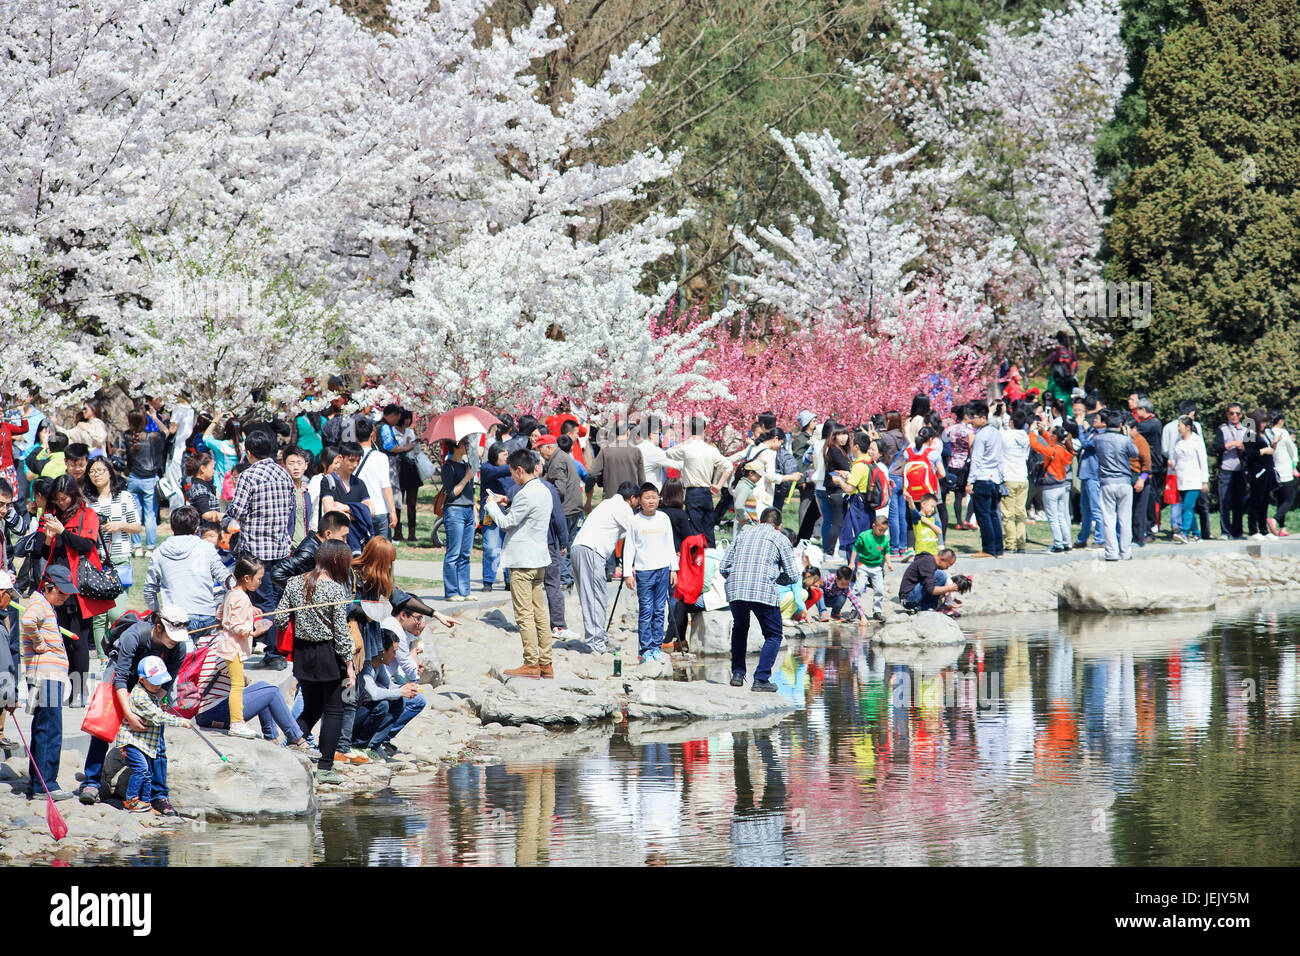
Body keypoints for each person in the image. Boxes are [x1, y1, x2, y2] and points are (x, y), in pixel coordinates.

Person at [75, 605, 188, 810]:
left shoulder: (178, 647)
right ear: (159, 626)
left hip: (154, 684)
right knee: (103, 729)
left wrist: (150, 709)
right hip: (121, 677)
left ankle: (159, 794)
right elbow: (121, 677)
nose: (175, 641)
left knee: (157, 735)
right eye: (171, 635)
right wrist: (129, 713)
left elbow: (166, 684)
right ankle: (92, 783)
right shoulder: (134, 635)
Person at [274, 540, 356, 784]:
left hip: (303, 654)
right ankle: (326, 768)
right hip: (329, 655)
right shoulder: (335, 590)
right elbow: (341, 633)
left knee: (311, 708)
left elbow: (279, 619)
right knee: (334, 710)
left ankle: (283, 751)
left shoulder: (294, 582)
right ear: (336, 560)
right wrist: (350, 666)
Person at [32, 474, 117, 707]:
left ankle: (79, 691)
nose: (61, 503)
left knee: (79, 640)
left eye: (65, 498)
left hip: (78, 585)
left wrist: (62, 531)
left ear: (73, 495)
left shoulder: (87, 515)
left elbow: (87, 545)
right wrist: (48, 540)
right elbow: (38, 551)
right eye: (57, 499)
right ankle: (68, 689)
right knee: (61, 640)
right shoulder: (48, 517)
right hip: (54, 586)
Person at [227, 429, 297, 669]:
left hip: (257, 553)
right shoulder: (284, 474)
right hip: (281, 549)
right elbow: (291, 509)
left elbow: (237, 511)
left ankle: (274, 652)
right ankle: (277, 648)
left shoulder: (249, 475)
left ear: (248, 454)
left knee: (265, 602)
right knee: (278, 601)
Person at [483, 448, 555, 679]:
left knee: (524, 614)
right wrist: (508, 500)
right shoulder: (543, 490)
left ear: (520, 470)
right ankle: (546, 663)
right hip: (538, 560)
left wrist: (491, 506)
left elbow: (506, 522)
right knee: (539, 613)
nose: (512, 477)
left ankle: (530, 663)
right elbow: (523, 511)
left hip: (522, 562)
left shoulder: (526, 494)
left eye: (513, 473)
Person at [720, 508, 800, 692]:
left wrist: (739, 578)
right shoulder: (780, 538)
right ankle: (761, 679)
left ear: (760, 521)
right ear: (779, 526)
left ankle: (738, 675)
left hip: (735, 588)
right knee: (774, 635)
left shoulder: (744, 534)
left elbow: (723, 567)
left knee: (740, 628)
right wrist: (777, 579)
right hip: (763, 589)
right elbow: (794, 575)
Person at [20, 566, 78, 802]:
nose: (64, 596)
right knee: (50, 729)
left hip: (49, 675)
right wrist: (40, 642)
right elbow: (27, 620)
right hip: (45, 675)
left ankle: (39, 781)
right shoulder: (39, 603)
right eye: (61, 592)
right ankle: (46, 785)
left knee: (44, 727)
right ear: (48, 586)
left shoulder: (47, 605)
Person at [113, 655, 193, 813]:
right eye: (155, 682)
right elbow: (156, 716)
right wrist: (180, 721)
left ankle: (146, 802)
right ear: (142, 680)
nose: (159, 686)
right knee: (141, 770)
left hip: (145, 743)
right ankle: (131, 800)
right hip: (132, 742)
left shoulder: (150, 693)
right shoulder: (140, 695)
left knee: (148, 773)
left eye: (160, 681)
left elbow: (156, 711)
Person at [205, 555, 274, 739]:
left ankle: (237, 721)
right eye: (258, 578)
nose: (260, 582)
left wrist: (249, 611)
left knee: (237, 684)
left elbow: (221, 614)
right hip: (233, 647)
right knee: (237, 686)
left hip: (228, 645)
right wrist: (253, 630)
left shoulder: (232, 593)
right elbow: (234, 624)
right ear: (246, 578)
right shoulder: (241, 597)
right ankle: (236, 723)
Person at [142, 505, 228, 647]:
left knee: (182, 663)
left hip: (177, 619)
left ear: (171, 526)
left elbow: (149, 589)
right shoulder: (206, 548)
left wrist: (156, 612)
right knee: (201, 663)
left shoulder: (159, 552)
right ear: (196, 528)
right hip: (207, 616)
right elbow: (226, 579)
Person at [569, 482, 639, 654]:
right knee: (595, 597)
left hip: (580, 548)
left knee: (591, 596)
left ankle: (597, 638)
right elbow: (636, 531)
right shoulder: (622, 507)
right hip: (592, 551)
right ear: (631, 498)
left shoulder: (608, 504)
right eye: (638, 500)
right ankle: (596, 643)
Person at [83, 455, 141, 652]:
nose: (96, 474)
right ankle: (102, 658)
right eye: (92, 471)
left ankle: (119, 648)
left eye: (100, 470)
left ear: (110, 472)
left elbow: (137, 527)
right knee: (99, 616)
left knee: (116, 613)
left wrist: (119, 525)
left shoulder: (124, 497)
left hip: (120, 558)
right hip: (96, 561)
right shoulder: (87, 502)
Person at [622, 482, 676, 664]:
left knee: (660, 610)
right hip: (644, 571)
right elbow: (628, 547)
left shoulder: (664, 518)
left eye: (654, 497)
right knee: (646, 610)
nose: (651, 501)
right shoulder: (635, 521)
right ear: (640, 500)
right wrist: (627, 573)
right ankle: (645, 649)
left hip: (662, 569)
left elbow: (670, 545)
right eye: (647, 497)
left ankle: (656, 647)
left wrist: (673, 568)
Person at [353, 629, 426, 760]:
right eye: (393, 651)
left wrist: (405, 688)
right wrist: (400, 692)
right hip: (348, 719)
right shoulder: (365, 665)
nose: (395, 656)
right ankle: (358, 745)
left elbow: (389, 686)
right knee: (382, 705)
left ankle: (373, 746)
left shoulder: (379, 665)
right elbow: (373, 694)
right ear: (381, 651)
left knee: (399, 701)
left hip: (361, 712)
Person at [1095, 410, 1141, 561]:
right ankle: (1126, 552)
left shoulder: (1099, 439)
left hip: (1107, 482)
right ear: (1121, 425)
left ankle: (1111, 552)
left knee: (1109, 519)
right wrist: (1127, 436)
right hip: (1124, 482)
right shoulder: (1125, 439)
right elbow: (1134, 454)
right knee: (1125, 519)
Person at [539, 432, 584, 587]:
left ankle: (563, 579)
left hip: (565, 509)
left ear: (549, 448)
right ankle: (567, 578)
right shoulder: (561, 457)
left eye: (540, 449)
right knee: (569, 544)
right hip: (574, 506)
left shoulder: (557, 461)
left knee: (561, 546)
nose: (540, 453)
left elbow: (559, 490)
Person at [272, 509, 352, 589]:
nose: (345, 542)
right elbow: (277, 573)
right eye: (343, 537)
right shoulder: (308, 553)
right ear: (328, 534)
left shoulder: (322, 547)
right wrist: (301, 591)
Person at [124, 410, 167, 556]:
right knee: (150, 515)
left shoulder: (127, 436)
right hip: (149, 480)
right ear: (145, 421)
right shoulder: (153, 437)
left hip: (134, 479)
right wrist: (155, 417)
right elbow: (166, 431)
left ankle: (137, 547)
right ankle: (150, 547)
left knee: (134, 514)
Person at [440, 436, 477, 601]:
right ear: (456, 446)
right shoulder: (448, 467)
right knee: (453, 553)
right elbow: (452, 493)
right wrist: (467, 477)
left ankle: (465, 590)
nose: (467, 446)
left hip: (468, 510)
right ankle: (452, 592)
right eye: (465, 443)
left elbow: (471, 493)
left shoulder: (466, 465)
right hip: (455, 511)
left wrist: (475, 512)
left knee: (466, 553)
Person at [965, 401, 1005, 558]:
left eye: (973, 418)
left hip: (982, 478)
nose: (971, 421)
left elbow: (976, 460)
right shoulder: (996, 432)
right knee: (993, 514)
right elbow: (1000, 458)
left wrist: (970, 481)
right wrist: (1001, 478)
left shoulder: (981, 436)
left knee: (983, 515)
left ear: (982, 418)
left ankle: (988, 548)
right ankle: (998, 548)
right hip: (995, 478)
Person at [1028, 424, 1074, 552]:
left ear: (1054, 436)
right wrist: (1042, 432)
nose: (1048, 435)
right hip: (1062, 485)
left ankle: (1058, 544)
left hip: (1051, 487)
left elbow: (1036, 446)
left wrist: (1032, 432)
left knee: (1053, 517)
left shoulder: (1053, 450)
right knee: (1062, 517)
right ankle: (1067, 542)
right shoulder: (1065, 449)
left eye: (1050, 433)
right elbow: (1051, 441)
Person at [478, 442, 514, 591]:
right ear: (494, 455)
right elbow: (498, 472)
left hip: (508, 513)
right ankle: (488, 581)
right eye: (504, 455)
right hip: (490, 515)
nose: (507, 458)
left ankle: (508, 581)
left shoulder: (511, 471)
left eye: (508, 454)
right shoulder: (487, 468)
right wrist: (515, 464)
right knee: (492, 548)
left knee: (509, 549)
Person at [353, 417, 397, 539]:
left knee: (361, 552)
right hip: (380, 509)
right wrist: (393, 511)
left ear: (355, 436)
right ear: (372, 433)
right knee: (381, 553)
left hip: (358, 509)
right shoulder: (381, 457)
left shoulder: (350, 456)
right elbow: (386, 486)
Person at [587, 419, 643, 510]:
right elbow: (642, 479)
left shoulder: (605, 450)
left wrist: (589, 489)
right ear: (628, 432)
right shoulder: (636, 451)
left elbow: (593, 473)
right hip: (631, 500)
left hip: (610, 499)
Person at [1171, 416, 1210, 544]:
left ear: (1188, 427)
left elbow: (1203, 461)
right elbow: (1177, 459)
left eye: (1180, 426)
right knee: (1188, 507)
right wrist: (1173, 465)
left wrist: (1205, 480)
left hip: (1194, 479)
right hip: (1181, 478)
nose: (1178, 429)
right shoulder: (1178, 441)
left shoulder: (1196, 441)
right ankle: (1197, 534)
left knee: (1187, 506)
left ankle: (1184, 532)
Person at [1212, 403, 1248, 540]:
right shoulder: (1222, 429)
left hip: (1240, 471)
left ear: (1241, 415)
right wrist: (1230, 445)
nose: (1234, 416)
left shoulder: (1245, 430)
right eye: (1231, 413)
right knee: (1224, 502)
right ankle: (1225, 531)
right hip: (1226, 469)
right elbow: (1216, 446)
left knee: (1239, 502)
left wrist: (1243, 446)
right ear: (1227, 414)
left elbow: (1251, 450)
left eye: (1237, 414)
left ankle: (1237, 531)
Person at [851, 515, 894, 622]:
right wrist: (852, 562)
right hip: (863, 565)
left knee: (879, 589)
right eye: (880, 530)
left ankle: (877, 611)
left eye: (885, 530)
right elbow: (855, 548)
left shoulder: (885, 539)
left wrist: (889, 564)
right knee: (859, 588)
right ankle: (854, 609)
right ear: (874, 526)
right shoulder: (864, 536)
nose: (882, 533)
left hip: (877, 567)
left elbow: (886, 552)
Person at [1000, 409, 1031, 552]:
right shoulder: (1026, 436)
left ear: (1011, 422)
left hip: (1009, 476)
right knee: (1020, 513)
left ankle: (1010, 544)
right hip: (1023, 477)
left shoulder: (1006, 435)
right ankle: (1021, 544)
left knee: (1007, 513)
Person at [1243, 408, 1277, 539]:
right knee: (1256, 500)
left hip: (1268, 469)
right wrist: (1263, 451)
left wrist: (1273, 446)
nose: (1263, 425)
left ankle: (1264, 529)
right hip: (1257, 470)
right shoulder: (1250, 433)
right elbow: (1248, 454)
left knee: (1265, 500)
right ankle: (1253, 529)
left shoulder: (1266, 433)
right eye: (1261, 422)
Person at [941, 405, 975, 530]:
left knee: (953, 493)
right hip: (963, 464)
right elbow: (971, 448)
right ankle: (962, 521)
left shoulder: (950, 429)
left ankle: (958, 521)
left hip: (951, 463)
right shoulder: (969, 431)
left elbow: (943, 442)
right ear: (966, 416)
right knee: (960, 495)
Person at [821, 426, 853, 555]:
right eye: (840, 434)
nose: (843, 437)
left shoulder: (839, 450)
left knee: (838, 521)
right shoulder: (834, 450)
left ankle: (833, 550)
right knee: (837, 522)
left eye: (845, 434)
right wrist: (847, 470)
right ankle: (829, 552)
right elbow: (847, 467)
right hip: (836, 489)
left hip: (836, 489)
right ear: (833, 436)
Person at [899, 548, 959, 612]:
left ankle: (927, 606)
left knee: (940, 576)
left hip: (911, 596)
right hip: (908, 599)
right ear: (942, 559)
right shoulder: (927, 562)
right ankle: (924, 606)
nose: (947, 568)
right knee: (941, 575)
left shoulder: (929, 561)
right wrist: (949, 588)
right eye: (948, 565)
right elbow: (931, 590)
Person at [1266, 411, 1296, 536]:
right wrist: (1294, 462)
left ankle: (1282, 528)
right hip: (1285, 469)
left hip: (1273, 470)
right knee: (1289, 499)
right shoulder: (1283, 432)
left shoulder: (1267, 432)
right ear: (1280, 421)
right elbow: (1291, 448)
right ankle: (1274, 519)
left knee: (1280, 499)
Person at [1125, 418, 1153, 547]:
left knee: (1139, 511)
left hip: (1140, 477)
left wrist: (1142, 479)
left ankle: (1139, 539)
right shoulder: (1125, 440)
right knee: (1129, 510)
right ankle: (1130, 537)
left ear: (1134, 429)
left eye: (1127, 429)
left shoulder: (1140, 441)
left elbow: (1147, 463)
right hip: (1128, 476)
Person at [184, 452, 222, 523]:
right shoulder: (200, 488)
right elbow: (206, 514)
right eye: (213, 468)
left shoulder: (203, 486)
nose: (214, 472)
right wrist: (224, 517)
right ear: (203, 468)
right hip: (205, 531)